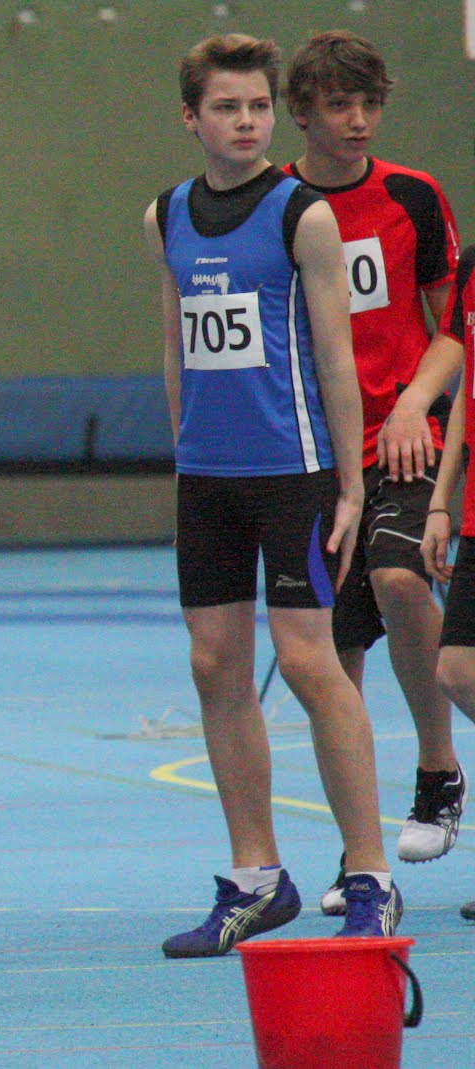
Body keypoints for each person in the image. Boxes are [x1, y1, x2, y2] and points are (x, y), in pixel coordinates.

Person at [143, 35, 401, 958]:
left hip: (294, 474)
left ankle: (369, 873)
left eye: (257, 106)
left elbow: (334, 353)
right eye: (227, 108)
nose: (246, 122)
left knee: (308, 662)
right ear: (192, 117)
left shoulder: (303, 215)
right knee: (215, 664)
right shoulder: (167, 215)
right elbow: (176, 343)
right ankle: (257, 878)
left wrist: (351, 483)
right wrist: (184, 454)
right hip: (208, 480)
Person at [282, 31, 465, 915]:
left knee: (400, 578)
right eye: (338, 105)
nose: (358, 121)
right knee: (335, 657)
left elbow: (454, 326)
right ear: (302, 113)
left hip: (404, 441)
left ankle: (438, 767)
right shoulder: (277, 209)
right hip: (312, 454)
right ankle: (359, 857)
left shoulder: (411, 197)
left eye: (370, 104)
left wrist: (411, 405)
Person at [421, 248, 475, 919]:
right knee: (457, 671)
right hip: (474, 512)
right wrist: (441, 500)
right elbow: (467, 392)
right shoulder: (472, 273)